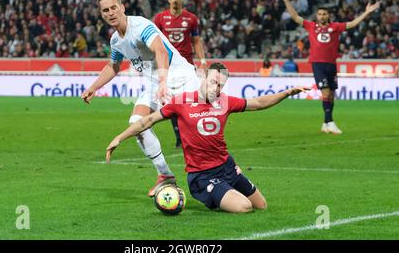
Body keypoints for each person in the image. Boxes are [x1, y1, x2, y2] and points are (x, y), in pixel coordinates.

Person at [106, 63, 309, 213]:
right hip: (202, 175)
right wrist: (119, 137)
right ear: (203, 77)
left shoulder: (226, 102)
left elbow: (258, 103)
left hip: (227, 167)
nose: (216, 89)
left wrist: (287, 93)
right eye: (213, 82)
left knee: (261, 206)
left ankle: (224, 191)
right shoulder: (182, 101)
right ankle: (216, 194)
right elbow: (147, 121)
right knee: (245, 207)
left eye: (221, 85)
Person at [81, 0, 200, 197]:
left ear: (122, 7)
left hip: (181, 79)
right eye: (105, 10)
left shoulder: (141, 26)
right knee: (136, 121)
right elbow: (113, 66)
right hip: (156, 85)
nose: (110, 13)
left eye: (113, 8)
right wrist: (93, 88)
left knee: (197, 131)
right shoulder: (116, 41)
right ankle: (165, 175)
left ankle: (216, 174)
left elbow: (160, 50)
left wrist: (163, 80)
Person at [280, 0, 380, 134]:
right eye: (319, 14)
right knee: (326, 93)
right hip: (318, 64)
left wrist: (366, 12)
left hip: (331, 64)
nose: (321, 16)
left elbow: (352, 24)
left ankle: (325, 123)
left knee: (332, 94)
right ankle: (330, 122)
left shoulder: (335, 27)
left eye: (324, 14)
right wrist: (287, 2)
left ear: (328, 15)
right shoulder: (311, 26)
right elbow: (295, 17)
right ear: (317, 16)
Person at [154, 0, 207, 149]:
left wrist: (203, 61)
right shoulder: (160, 19)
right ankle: (179, 137)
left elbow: (196, 41)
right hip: (168, 68)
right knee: (172, 103)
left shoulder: (191, 19)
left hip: (187, 66)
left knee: (192, 101)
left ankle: (194, 134)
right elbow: (154, 43)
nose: (175, 0)